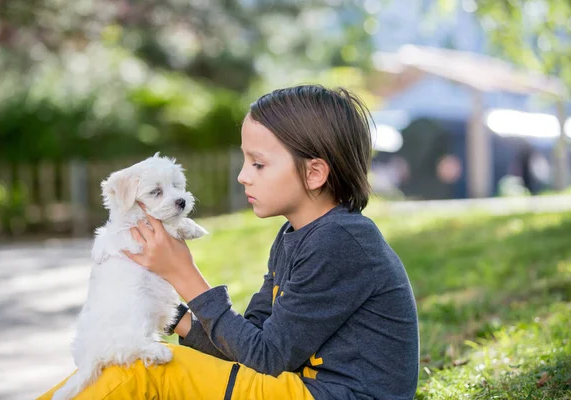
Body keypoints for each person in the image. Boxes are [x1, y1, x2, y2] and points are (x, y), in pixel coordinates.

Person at [39, 85, 420, 400]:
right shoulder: (294, 237)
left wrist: (183, 273)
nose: (242, 177)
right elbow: (248, 340)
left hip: (329, 395)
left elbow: (266, 357)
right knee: (120, 367)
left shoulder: (342, 242)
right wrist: (169, 315)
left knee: (144, 373)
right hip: (299, 388)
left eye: (258, 164)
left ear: (315, 171)